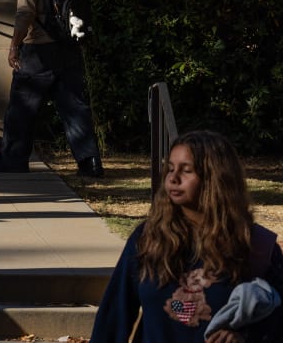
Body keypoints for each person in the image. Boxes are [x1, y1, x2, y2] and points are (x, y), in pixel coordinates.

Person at [91, 130, 283, 342]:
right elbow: (113, 317)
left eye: (187, 170)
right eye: (170, 169)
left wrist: (244, 336)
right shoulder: (148, 238)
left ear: (215, 179)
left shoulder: (256, 246)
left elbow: (277, 324)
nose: (173, 178)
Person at [0, 0, 104, 177]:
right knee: (74, 108)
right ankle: (90, 163)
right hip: (68, 49)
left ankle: (13, 160)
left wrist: (14, 46)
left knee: (21, 108)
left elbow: (24, 14)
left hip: (38, 52)